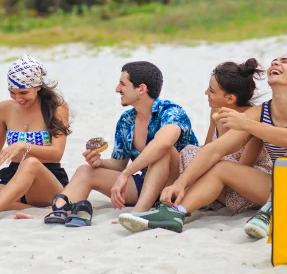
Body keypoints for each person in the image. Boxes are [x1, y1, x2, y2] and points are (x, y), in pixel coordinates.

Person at [117, 53, 287, 235]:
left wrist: (247, 125)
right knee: (221, 167)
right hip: (281, 190)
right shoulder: (260, 112)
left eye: (286, 61)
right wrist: (181, 183)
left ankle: (272, 211)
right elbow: (215, 149)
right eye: (275, 60)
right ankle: (175, 213)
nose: (276, 62)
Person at [119, 58, 272, 231]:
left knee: (209, 162)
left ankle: (175, 209)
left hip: (241, 187)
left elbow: (241, 167)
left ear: (230, 99)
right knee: (172, 151)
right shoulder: (216, 113)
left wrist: (191, 177)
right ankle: (149, 208)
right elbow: (207, 148)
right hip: (215, 178)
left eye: (212, 91)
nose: (206, 92)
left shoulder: (249, 120)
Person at [40, 61, 198, 227]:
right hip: (148, 186)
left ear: (141, 89)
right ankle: (59, 211)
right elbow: (119, 164)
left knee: (163, 151)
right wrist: (100, 163)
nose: (117, 89)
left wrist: (125, 175)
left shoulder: (172, 112)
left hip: (179, 188)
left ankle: (138, 213)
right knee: (86, 171)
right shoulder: (126, 120)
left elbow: (163, 144)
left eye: (123, 84)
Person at [0, 55, 71, 226]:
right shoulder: (4, 109)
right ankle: (24, 208)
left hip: (46, 179)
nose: (18, 98)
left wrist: (24, 146)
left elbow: (56, 154)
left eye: (24, 92)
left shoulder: (57, 107)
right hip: (14, 178)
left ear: (38, 86)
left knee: (31, 162)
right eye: (13, 92)